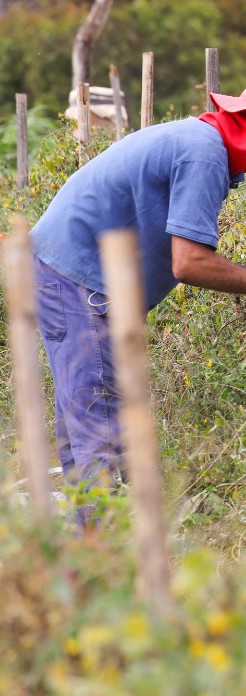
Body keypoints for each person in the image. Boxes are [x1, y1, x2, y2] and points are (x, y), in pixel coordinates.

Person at [31, 90, 246, 495]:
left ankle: (90, 530)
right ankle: (106, 532)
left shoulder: (197, 141)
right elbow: (190, 262)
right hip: (78, 282)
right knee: (101, 432)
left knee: (87, 428)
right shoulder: (204, 155)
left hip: (65, 273)